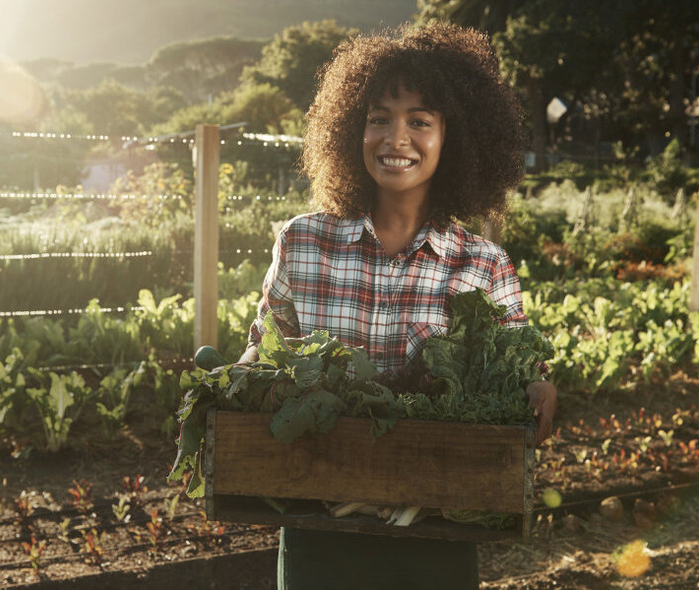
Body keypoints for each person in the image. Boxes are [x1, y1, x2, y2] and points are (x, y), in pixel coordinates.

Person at [237, 22, 557, 590]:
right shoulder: (303, 241)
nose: (396, 138)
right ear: (349, 131)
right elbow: (264, 352)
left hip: (434, 526)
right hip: (320, 521)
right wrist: (234, 381)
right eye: (378, 118)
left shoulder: (482, 264)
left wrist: (539, 387)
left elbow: (522, 371)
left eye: (420, 121)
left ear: (452, 137)